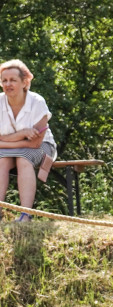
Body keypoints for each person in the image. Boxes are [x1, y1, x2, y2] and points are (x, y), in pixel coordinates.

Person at [0, 59, 57, 221]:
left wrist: (5, 140)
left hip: (42, 146)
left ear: (25, 82)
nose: (8, 84)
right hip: (6, 150)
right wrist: (22, 134)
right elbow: (26, 140)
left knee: (23, 157)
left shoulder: (37, 102)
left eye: (13, 80)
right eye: (4, 80)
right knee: (1, 160)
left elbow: (35, 143)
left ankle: (25, 215)